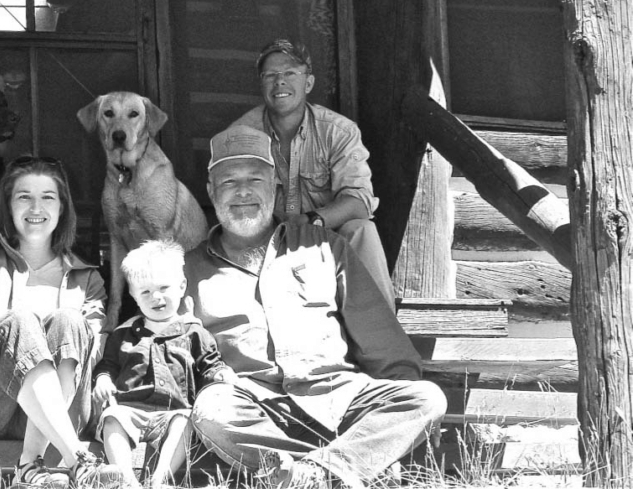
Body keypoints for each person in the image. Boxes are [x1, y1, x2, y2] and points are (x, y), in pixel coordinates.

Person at [184, 125, 447, 489]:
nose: (243, 192)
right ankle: (342, 465)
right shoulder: (186, 270)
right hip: (256, 407)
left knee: (425, 397)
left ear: (274, 186)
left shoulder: (325, 247)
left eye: (255, 179)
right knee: (212, 410)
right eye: (229, 182)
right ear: (211, 191)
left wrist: (403, 421)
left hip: (341, 397)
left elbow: (380, 336)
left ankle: (312, 474)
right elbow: (175, 351)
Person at [0, 156, 123, 488]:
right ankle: (78, 460)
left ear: (62, 207)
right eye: (24, 196)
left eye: (47, 196)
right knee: (19, 321)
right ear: (8, 205)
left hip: (60, 410)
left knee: (69, 320)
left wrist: (35, 342)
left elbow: (92, 350)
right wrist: (7, 334)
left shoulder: (86, 278)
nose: (36, 206)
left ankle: (29, 464)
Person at [227, 39, 395, 309]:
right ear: (262, 85)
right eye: (270, 75)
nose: (279, 82)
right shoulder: (241, 135)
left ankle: (382, 336)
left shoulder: (338, 131)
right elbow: (230, 202)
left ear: (308, 83)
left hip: (325, 237)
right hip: (266, 241)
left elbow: (359, 202)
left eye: (290, 73)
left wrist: (311, 221)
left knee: (362, 230)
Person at [92, 240, 237, 489]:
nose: (155, 297)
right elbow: (108, 364)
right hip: (131, 410)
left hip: (173, 413)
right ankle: (124, 480)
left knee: (186, 420)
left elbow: (209, 365)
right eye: (145, 292)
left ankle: (160, 480)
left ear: (181, 287)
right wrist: (103, 379)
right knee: (111, 417)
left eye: (163, 288)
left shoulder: (194, 333)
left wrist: (220, 374)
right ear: (134, 296)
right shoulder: (124, 333)